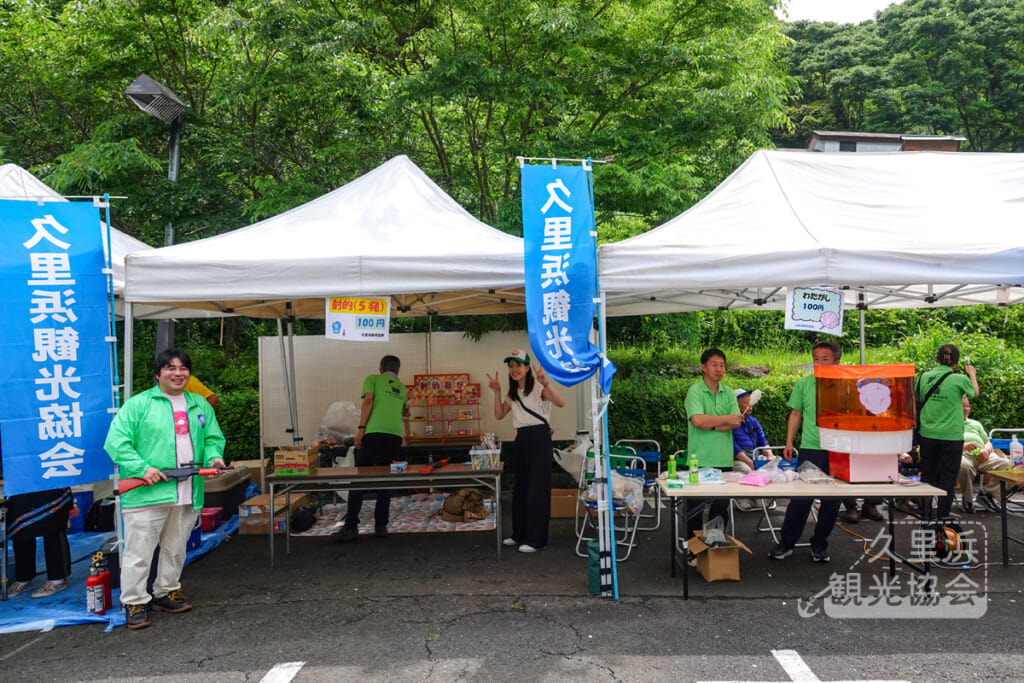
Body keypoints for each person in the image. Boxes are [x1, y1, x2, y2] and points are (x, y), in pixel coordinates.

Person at [104, 349, 225, 630]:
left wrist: (214, 457)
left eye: (183, 368)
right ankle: (134, 601)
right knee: (139, 551)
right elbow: (116, 442)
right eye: (170, 367)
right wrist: (142, 468)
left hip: (187, 491)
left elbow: (212, 438)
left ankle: (166, 591)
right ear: (158, 373)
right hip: (147, 492)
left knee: (176, 548)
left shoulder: (199, 405)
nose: (178, 373)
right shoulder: (138, 405)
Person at [770, 340, 844, 563]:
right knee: (801, 498)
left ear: (837, 362)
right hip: (811, 448)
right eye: (816, 359)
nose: (819, 363)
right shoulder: (803, 384)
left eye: (825, 359)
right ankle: (786, 542)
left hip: (840, 450)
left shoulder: (847, 383)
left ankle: (820, 544)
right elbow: (795, 414)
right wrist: (789, 442)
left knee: (832, 501)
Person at [487, 349, 565, 553]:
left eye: (518, 365)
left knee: (537, 490)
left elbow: (561, 402)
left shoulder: (538, 387)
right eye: (511, 365)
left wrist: (547, 383)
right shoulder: (512, 394)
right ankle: (519, 534)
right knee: (520, 489)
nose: (514, 369)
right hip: (521, 438)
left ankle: (538, 539)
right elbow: (498, 415)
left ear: (527, 367)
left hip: (539, 437)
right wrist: (496, 392)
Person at [335, 354, 410, 543]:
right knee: (386, 479)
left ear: (380, 369)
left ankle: (351, 526)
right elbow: (406, 412)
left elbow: (367, 402)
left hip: (374, 433)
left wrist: (361, 430)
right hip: (394, 436)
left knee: (360, 478)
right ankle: (381, 526)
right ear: (398, 371)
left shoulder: (372, 379)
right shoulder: (402, 388)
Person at [683, 348, 743, 549]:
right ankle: (693, 550)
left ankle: (715, 547)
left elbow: (736, 423)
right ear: (703, 367)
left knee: (720, 508)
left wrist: (713, 424)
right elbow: (698, 420)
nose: (719, 369)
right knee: (695, 509)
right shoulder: (695, 391)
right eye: (714, 365)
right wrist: (724, 420)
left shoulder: (728, 392)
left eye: (722, 365)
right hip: (698, 459)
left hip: (724, 459)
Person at [917, 343, 979, 522]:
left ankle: (926, 515)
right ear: (956, 362)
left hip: (927, 436)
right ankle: (942, 517)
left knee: (927, 476)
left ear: (937, 359)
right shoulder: (960, 379)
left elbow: (920, 400)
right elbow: (974, 393)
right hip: (951, 438)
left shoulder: (923, 377)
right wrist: (972, 375)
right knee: (947, 479)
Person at [5, 487, 73, 598]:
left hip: (50, 481)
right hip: (21, 484)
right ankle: (24, 578)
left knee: (53, 527)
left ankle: (57, 579)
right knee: (20, 529)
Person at [957, 395, 1008, 514]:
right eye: (961, 406)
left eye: (967, 406)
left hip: (983, 455)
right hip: (963, 454)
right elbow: (945, 444)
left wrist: (986, 450)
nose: (965, 408)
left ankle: (988, 495)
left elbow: (988, 442)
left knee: (1008, 466)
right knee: (963, 466)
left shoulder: (976, 424)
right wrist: (962, 445)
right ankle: (968, 500)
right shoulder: (949, 424)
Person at [731, 388, 772, 512]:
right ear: (736, 404)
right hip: (738, 458)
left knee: (773, 467)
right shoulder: (731, 422)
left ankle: (760, 496)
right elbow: (733, 447)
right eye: (745, 402)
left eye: (751, 402)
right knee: (746, 469)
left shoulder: (753, 421)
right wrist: (750, 462)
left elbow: (763, 441)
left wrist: (770, 455)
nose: (750, 405)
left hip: (755, 455)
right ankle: (743, 498)